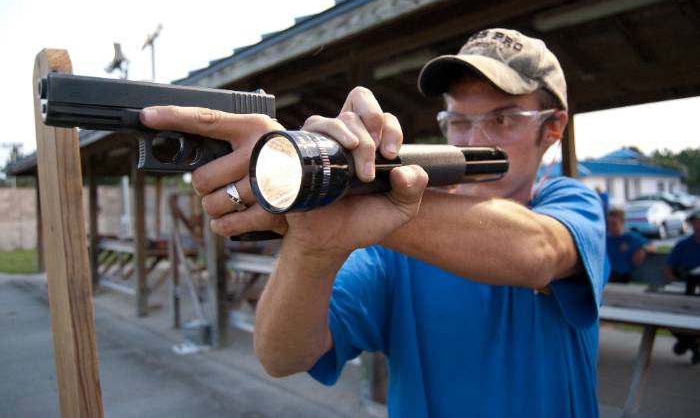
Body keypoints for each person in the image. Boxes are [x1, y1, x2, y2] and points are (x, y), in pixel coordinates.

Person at [140, 28, 607, 417]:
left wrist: (345, 189)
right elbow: (281, 356)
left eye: (503, 118)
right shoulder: (391, 245)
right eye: (459, 120)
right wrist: (313, 245)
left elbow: (535, 254)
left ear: (552, 128)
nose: (476, 137)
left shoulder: (570, 203)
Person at [664, 209, 700, 365]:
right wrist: (673, 280)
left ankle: (688, 343)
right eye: (695, 223)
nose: (697, 226)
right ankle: (693, 344)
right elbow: (668, 268)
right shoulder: (683, 245)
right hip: (686, 289)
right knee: (668, 314)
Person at [606, 208, 650, 283]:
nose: (610, 227)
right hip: (606, 274)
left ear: (622, 222)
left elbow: (651, 245)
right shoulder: (605, 239)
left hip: (622, 275)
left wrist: (642, 249)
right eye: (608, 224)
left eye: (614, 224)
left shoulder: (632, 237)